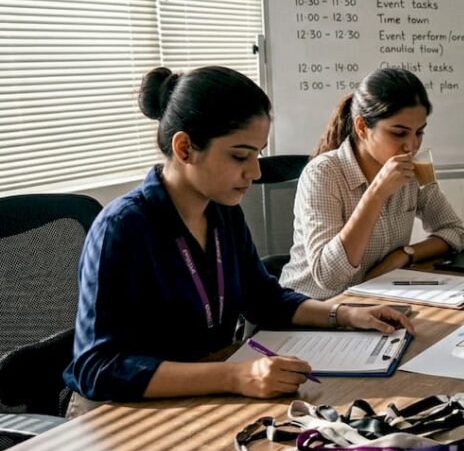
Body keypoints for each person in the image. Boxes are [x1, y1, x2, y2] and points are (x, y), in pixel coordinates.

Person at [64, 66, 413, 407]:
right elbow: (98, 369)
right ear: (185, 148)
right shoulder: (123, 227)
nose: (255, 171)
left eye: (257, 153)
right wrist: (234, 376)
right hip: (123, 412)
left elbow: (263, 299)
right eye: (240, 155)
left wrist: (345, 315)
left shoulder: (221, 211)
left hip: (206, 394)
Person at [279, 68, 464, 298]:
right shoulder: (323, 174)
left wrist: (404, 254)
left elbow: (455, 232)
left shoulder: (412, 170)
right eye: (399, 133)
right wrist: (376, 193)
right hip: (313, 308)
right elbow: (329, 277)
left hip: (372, 302)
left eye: (419, 132)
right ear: (361, 127)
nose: (411, 145)